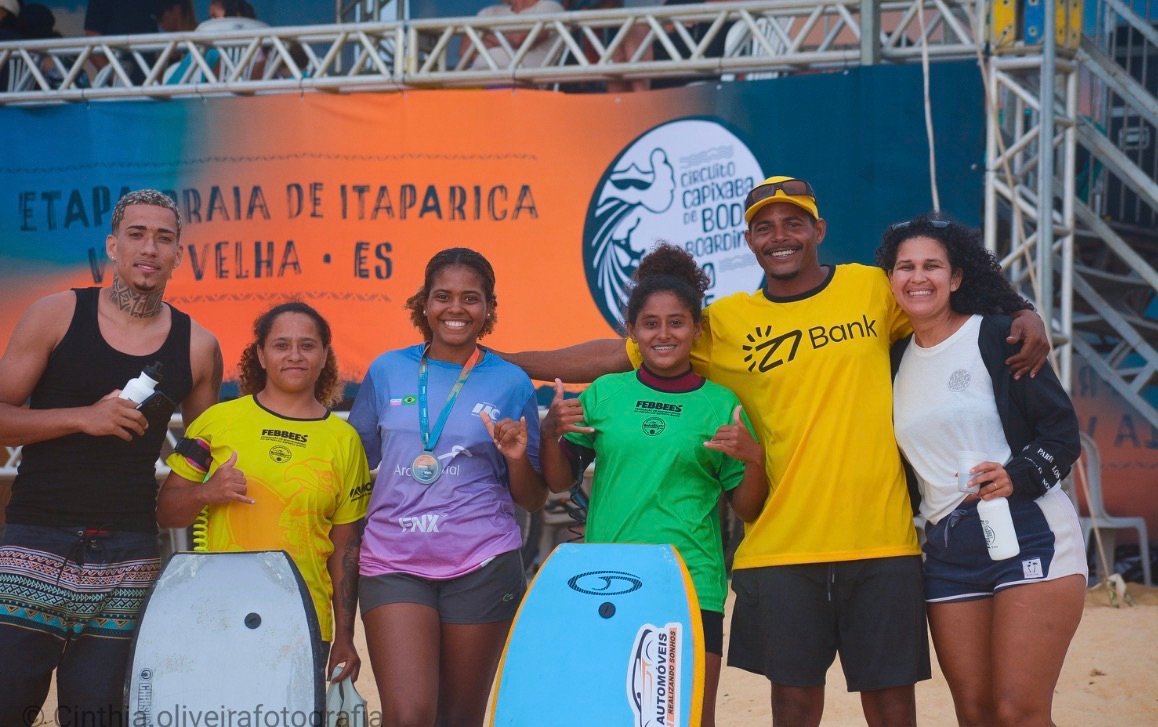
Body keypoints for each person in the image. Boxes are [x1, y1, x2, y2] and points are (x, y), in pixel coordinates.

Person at [498, 176, 1051, 726]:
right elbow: (617, 355)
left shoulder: (870, 289)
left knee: (890, 708)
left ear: (818, 229)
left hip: (880, 540)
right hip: (781, 547)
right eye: (764, 228)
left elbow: (950, 292)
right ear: (750, 241)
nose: (779, 236)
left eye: (793, 223)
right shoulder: (727, 324)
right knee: (791, 709)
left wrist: (1023, 311)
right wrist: (509, 364)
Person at [0, 189, 222, 726]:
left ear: (178, 254)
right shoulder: (56, 314)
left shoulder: (198, 346)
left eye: (163, 238)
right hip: (36, 538)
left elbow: (201, 451)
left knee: (98, 716)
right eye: (137, 234)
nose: (150, 248)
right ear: (112, 246)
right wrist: (83, 416)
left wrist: (202, 495)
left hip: (129, 554)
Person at [539, 243, 768, 727]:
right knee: (612, 714)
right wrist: (549, 432)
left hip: (691, 582)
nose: (664, 334)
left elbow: (747, 509)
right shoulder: (605, 394)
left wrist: (755, 459)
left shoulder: (721, 403)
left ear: (696, 329)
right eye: (651, 323)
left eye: (677, 322)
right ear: (632, 332)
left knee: (689, 717)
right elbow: (559, 481)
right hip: (608, 576)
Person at [877, 214, 1086, 726]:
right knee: (975, 714)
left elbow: (1062, 434)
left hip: (1030, 534)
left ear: (957, 278)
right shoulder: (891, 359)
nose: (918, 277)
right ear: (890, 280)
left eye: (932, 266)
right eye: (905, 266)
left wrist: (1018, 474)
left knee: (1019, 712)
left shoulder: (998, 336)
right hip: (948, 551)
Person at [349, 247, 549, 726]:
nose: (455, 309)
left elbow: (533, 497)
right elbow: (353, 466)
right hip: (393, 561)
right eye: (442, 296)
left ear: (489, 309)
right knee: (409, 715)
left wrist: (517, 459)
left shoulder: (511, 382)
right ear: (423, 304)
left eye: (470, 298)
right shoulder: (386, 370)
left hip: (481, 562)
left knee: (459, 718)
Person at [156, 301, 371, 684]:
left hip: (304, 619)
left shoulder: (344, 440)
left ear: (324, 356)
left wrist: (345, 636)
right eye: (281, 344)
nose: (294, 355)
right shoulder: (216, 422)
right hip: (218, 612)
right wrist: (208, 493)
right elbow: (167, 511)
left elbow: (346, 549)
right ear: (260, 354)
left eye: (307, 345)